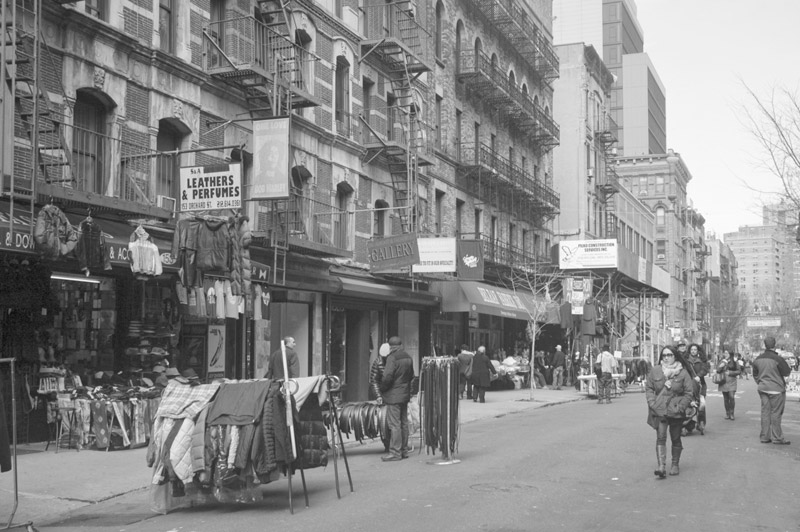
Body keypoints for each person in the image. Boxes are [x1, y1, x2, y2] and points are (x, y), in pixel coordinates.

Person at [645, 346, 695, 478]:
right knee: (661, 437)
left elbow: (689, 393)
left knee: (675, 438)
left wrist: (681, 407)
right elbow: (649, 388)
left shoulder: (683, 373)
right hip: (660, 410)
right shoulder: (655, 371)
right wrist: (651, 402)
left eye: (669, 355)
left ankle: (675, 464)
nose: (666, 357)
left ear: (675, 356)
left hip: (676, 411)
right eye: (664, 355)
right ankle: (661, 466)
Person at [379, 336, 415, 462]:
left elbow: (387, 377)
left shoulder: (392, 358)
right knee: (404, 423)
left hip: (393, 395)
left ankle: (395, 452)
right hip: (404, 394)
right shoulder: (408, 357)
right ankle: (404, 450)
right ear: (401, 345)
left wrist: (382, 389)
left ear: (391, 347)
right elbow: (411, 375)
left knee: (394, 424)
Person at [752, 336, 792, 445]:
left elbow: (755, 374)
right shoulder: (778, 359)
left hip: (763, 388)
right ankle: (777, 437)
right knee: (776, 413)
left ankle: (764, 437)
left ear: (765, 345)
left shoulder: (758, 359)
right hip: (776, 389)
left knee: (765, 412)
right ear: (774, 345)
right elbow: (786, 372)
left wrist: (760, 382)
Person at [370, 342, 392, 452]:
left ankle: (395, 444)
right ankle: (387, 444)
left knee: (394, 421)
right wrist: (378, 396)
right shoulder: (377, 362)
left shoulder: (394, 362)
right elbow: (374, 381)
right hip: (384, 396)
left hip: (394, 395)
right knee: (383, 422)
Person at [684, 343, 709, 435]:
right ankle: (687, 424)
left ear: (698, 351)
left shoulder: (702, 360)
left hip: (701, 385)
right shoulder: (686, 360)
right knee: (688, 405)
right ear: (689, 351)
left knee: (701, 405)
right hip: (688, 385)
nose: (693, 351)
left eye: (695, 349)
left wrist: (699, 376)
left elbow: (705, 369)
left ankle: (701, 423)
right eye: (692, 350)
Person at [715, 349, 741, 420]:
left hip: (732, 382)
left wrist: (730, 373)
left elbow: (739, 371)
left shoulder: (735, 362)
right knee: (726, 398)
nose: (725, 354)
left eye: (727, 353)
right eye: (724, 353)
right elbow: (717, 370)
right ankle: (727, 413)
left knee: (731, 397)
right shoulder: (722, 361)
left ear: (730, 354)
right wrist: (721, 366)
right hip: (723, 382)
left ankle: (732, 413)